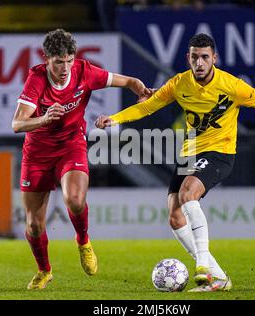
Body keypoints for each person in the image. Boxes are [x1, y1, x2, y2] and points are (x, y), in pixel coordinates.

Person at [95, 33, 255, 292]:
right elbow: (147, 107)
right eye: (195, 57)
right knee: (175, 217)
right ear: (188, 58)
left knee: (188, 195)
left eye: (205, 57)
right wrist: (115, 118)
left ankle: (202, 266)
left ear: (214, 59)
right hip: (189, 154)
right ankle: (220, 278)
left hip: (219, 153)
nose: (199, 62)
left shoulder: (231, 85)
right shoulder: (179, 84)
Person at [12, 29, 151, 289]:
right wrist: (43, 119)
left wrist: (139, 89)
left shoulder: (85, 72)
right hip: (38, 153)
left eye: (69, 60)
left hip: (71, 145)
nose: (65, 68)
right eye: (58, 62)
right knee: (33, 224)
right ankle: (44, 270)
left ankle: (83, 241)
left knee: (74, 200)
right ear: (47, 59)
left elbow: (128, 81)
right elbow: (17, 124)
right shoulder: (37, 79)